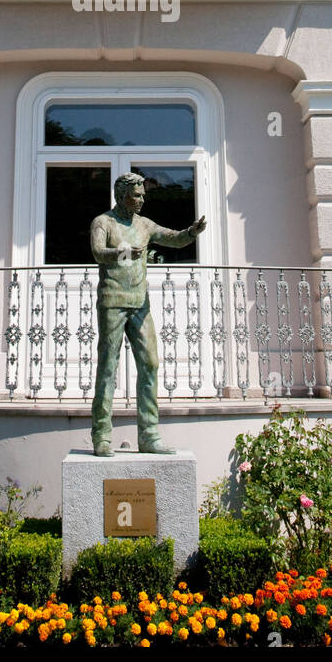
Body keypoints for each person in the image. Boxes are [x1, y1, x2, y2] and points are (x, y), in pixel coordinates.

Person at [89, 172, 206, 457]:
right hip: (113, 301)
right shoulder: (103, 222)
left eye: (143, 195)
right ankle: (102, 435)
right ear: (122, 195)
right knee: (108, 367)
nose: (141, 200)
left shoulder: (144, 225)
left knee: (150, 364)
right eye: (137, 195)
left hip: (141, 303)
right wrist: (124, 253)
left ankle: (150, 435)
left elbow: (172, 239)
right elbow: (97, 253)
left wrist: (191, 232)